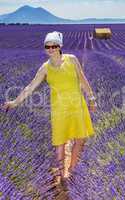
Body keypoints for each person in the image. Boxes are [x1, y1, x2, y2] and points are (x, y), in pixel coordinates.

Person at [1, 31, 97, 186]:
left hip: (76, 105)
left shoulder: (72, 60)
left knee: (79, 139)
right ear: (45, 48)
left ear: (60, 46)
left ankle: (71, 170)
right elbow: (30, 87)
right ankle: (60, 173)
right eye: (48, 46)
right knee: (60, 142)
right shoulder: (45, 68)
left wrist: (91, 98)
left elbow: (82, 79)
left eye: (54, 45)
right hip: (59, 109)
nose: (51, 49)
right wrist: (15, 102)